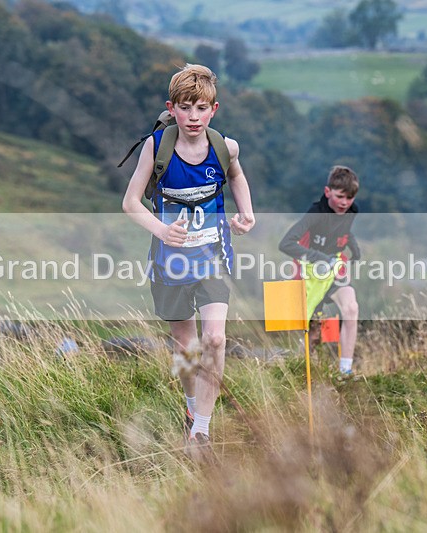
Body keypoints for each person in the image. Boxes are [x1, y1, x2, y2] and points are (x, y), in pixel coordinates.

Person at [122, 64, 255, 453]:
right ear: (172, 107)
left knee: (214, 338)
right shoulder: (157, 146)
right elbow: (130, 203)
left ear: (214, 109)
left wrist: (246, 212)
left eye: (201, 108)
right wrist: (163, 231)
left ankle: (201, 431)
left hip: (213, 253)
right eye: (185, 107)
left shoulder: (224, 146)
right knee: (186, 348)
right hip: (170, 261)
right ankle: (190, 405)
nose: (193, 117)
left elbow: (236, 176)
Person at [279, 165, 361, 375]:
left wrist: (354, 250)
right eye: (340, 196)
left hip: (334, 270)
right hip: (308, 274)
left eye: (349, 198)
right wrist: (319, 258)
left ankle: (345, 370)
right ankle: (300, 371)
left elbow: (343, 230)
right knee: (314, 334)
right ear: (328, 192)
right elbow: (286, 244)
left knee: (351, 309)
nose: (344, 203)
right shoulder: (315, 213)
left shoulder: (351, 210)